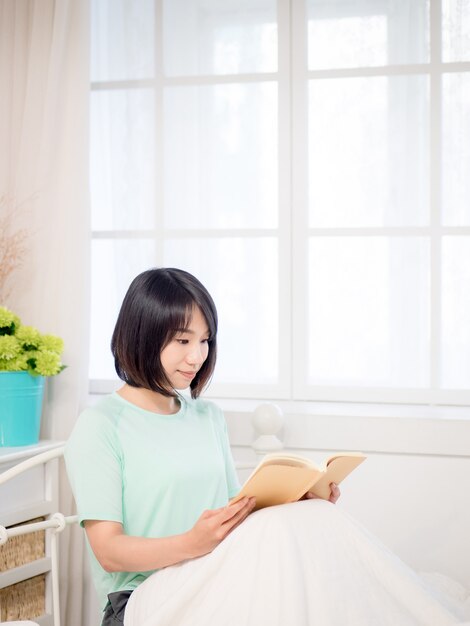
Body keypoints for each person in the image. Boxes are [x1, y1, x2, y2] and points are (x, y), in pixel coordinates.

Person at [65, 268, 469, 626]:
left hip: (213, 574)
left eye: (205, 340)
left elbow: (231, 513)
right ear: (142, 335)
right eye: (183, 340)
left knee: (312, 521)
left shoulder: (206, 416)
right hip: (141, 601)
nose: (197, 356)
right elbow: (109, 552)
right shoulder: (101, 426)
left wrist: (298, 499)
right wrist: (192, 543)